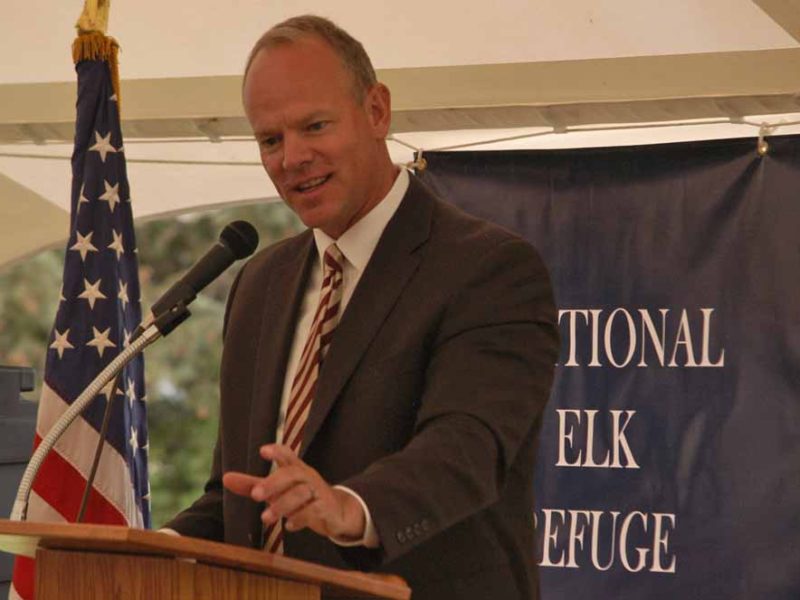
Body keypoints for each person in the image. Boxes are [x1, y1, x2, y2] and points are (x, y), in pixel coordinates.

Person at [165, 14, 559, 600]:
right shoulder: (260, 282)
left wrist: (350, 507)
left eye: (314, 126)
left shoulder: (489, 268)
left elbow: (466, 449)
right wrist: (147, 545)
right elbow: (241, 495)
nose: (292, 157)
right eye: (270, 140)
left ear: (377, 111)